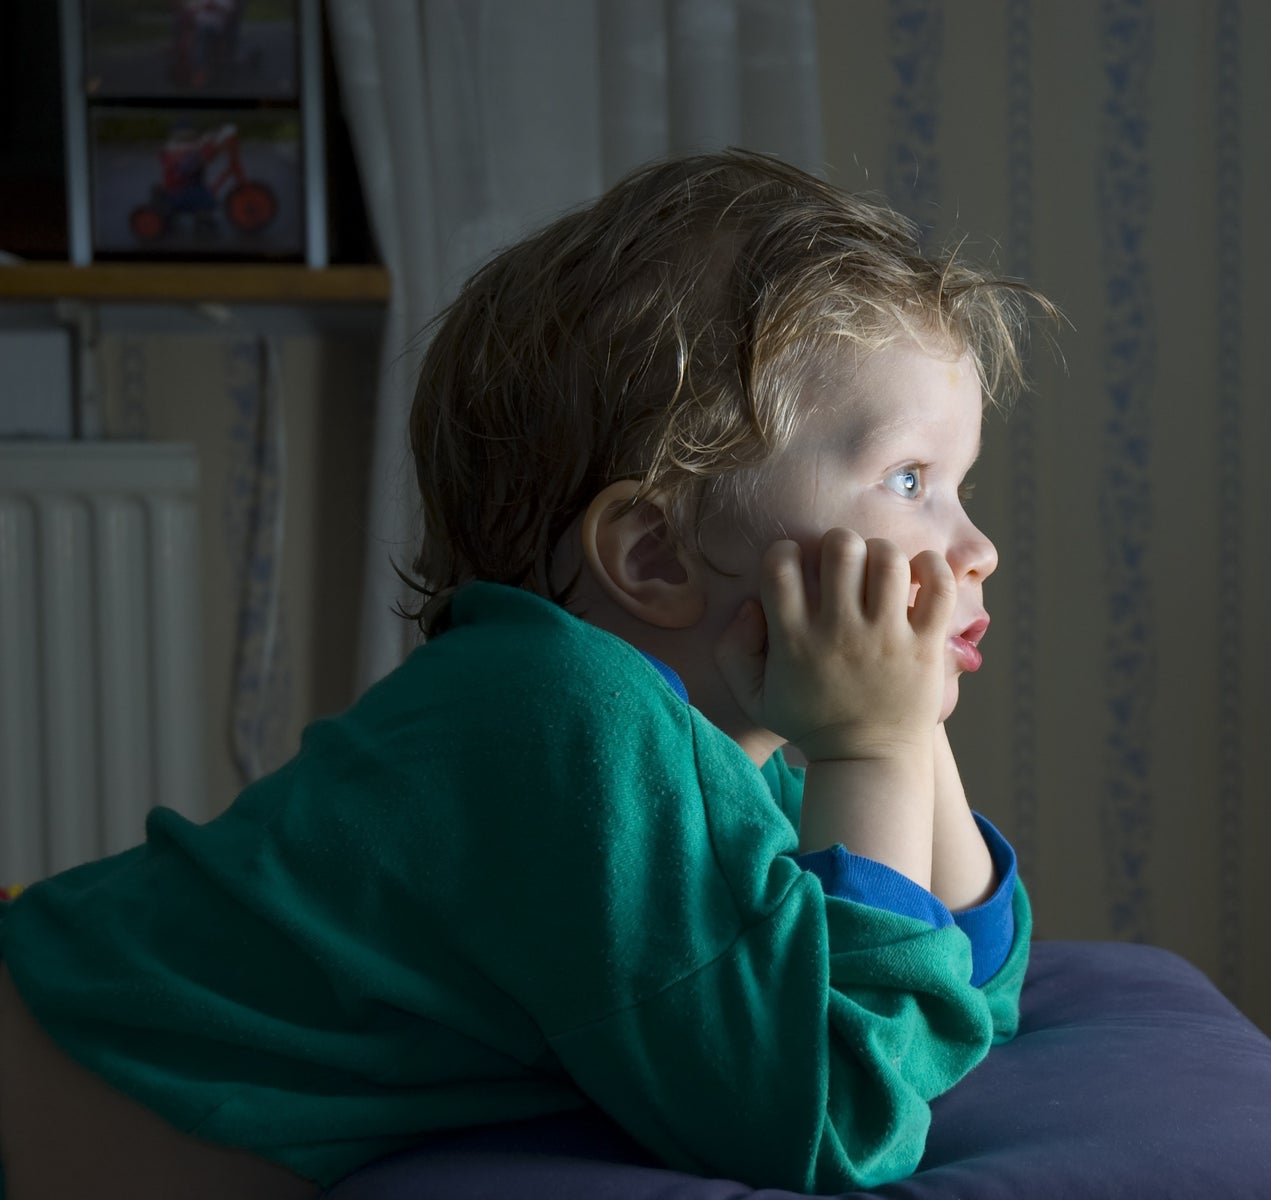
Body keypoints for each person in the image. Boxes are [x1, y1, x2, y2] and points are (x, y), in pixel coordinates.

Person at [0, 149, 1054, 1199]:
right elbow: (840, 1114)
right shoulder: (566, 721)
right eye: (909, 479)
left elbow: (969, 996)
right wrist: (873, 744)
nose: (973, 546)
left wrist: (900, 732)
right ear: (653, 556)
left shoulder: (745, 744)